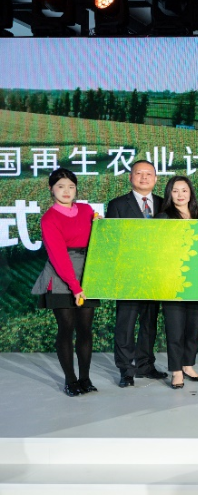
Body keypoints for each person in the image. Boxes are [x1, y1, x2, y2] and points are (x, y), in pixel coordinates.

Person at [32, 168, 100, 397]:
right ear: (51, 189)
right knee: (66, 328)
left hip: (86, 271)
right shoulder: (49, 218)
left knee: (85, 329)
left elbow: (99, 238)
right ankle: (70, 381)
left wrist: (100, 225)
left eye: (71, 186)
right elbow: (59, 256)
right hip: (61, 275)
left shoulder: (87, 210)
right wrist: (75, 287)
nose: (67, 191)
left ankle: (85, 378)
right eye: (61, 186)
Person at [105, 160, 167, 387]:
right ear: (130, 177)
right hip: (129, 274)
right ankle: (126, 370)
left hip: (155, 273)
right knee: (126, 323)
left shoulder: (164, 204)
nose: (144, 177)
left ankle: (145, 365)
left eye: (148, 174)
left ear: (156, 178)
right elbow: (111, 240)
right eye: (139, 173)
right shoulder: (117, 205)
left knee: (149, 322)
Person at [155, 176, 198, 389]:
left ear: (190, 193)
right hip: (173, 280)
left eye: (184, 190)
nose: (180, 195)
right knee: (175, 328)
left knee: (193, 326)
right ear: (169, 194)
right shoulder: (163, 217)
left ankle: (188, 364)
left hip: (197, 280)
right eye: (175, 191)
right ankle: (176, 370)